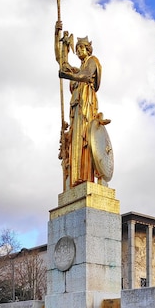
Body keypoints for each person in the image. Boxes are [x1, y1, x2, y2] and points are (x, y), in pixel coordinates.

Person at [55, 21, 103, 187]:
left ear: (88, 49)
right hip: (76, 108)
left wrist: (67, 76)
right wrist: (59, 39)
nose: (79, 51)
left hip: (86, 106)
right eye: (78, 48)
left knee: (85, 138)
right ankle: (75, 179)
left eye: (82, 48)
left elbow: (86, 76)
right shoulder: (78, 68)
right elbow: (61, 63)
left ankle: (86, 176)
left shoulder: (92, 62)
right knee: (76, 140)